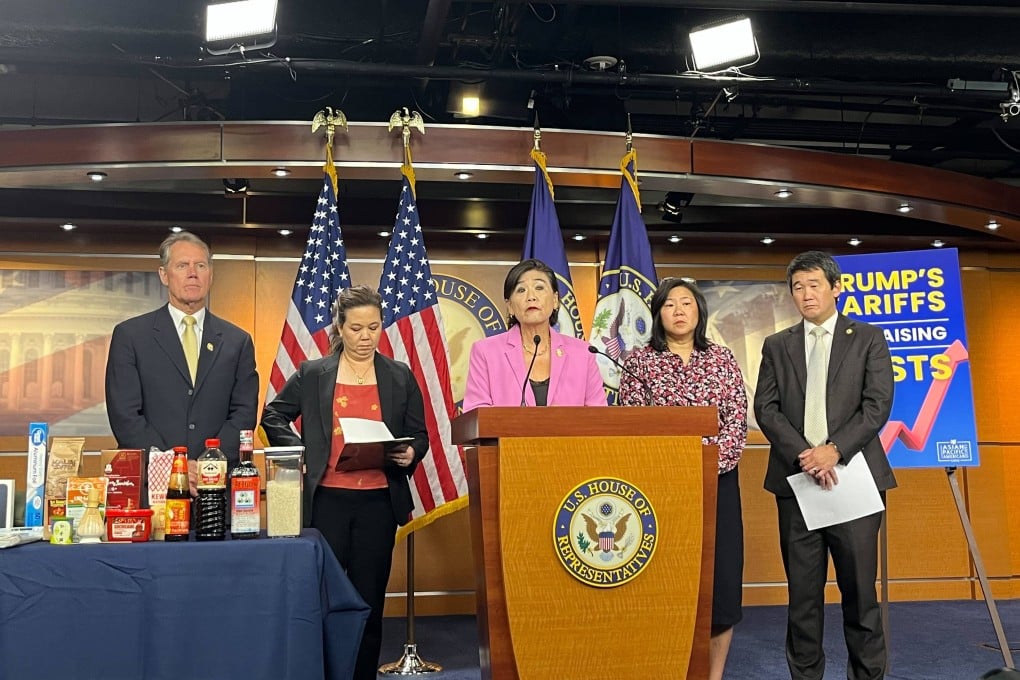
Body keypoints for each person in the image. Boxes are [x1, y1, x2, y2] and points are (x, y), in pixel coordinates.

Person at [261, 285, 428, 680]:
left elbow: (419, 434)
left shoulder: (399, 375)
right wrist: (302, 451)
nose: (366, 336)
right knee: (325, 598)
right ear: (339, 327)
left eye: (373, 327)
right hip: (327, 503)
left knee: (369, 600)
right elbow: (273, 416)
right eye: (356, 328)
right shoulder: (313, 373)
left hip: (378, 503)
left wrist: (410, 453)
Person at [754, 250, 895, 680]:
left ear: (836, 288)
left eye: (814, 285)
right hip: (797, 485)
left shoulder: (867, 338)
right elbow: (766, 408)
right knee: (802, 600)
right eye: (797, 287)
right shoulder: (777, 345)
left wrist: (834, 450)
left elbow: (877, 404)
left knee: (860, 596)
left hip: (854, 482)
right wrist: (807, 455)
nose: (806, 294)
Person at [618, 277, 747, 680]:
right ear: (658, 314)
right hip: (661, 487)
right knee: (667, 582)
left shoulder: (722, 359)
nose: (678, 310)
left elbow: (736, 421)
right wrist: (674, 469)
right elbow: (632, 425)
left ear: (699, 312)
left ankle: (714, 675)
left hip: (717, 484)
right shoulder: (639, 362)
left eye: (686, 303)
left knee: (721, 585)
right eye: (669, 304)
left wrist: (706, 465)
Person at [105, 231, 258, 471]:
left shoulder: (237, 341)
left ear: (211, 275)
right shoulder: (131, 336)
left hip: (216, 480)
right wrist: (173, 467)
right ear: (164, 275)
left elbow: (244, 414)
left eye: (201, 265)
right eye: (182, 265)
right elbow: (125, 416)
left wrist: (208, 465)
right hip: (153, 480)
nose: (192, 273)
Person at [462, 258, 606, 409]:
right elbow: (477, 413)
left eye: (539, 287)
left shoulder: (583, 353)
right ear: (510, 306)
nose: (531, 296)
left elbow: (599, 416)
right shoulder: (486, 352)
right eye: (521, 290)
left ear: (555, 300)